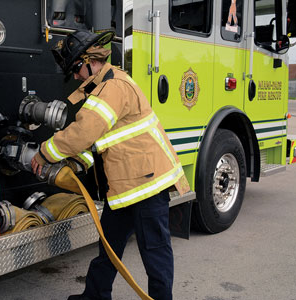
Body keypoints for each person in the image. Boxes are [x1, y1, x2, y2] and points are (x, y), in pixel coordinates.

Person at [31, 30, 190, 300]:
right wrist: (79, 162)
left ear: (89, 60)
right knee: (109, 247)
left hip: (146, 186)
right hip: (125, 187)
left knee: (155, 253)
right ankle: (95, 295)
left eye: (77, 70)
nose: (77, 77)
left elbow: (84, 132)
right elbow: (104, 141)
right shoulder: (104, 86)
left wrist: (45, 153)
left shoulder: (113, 87)